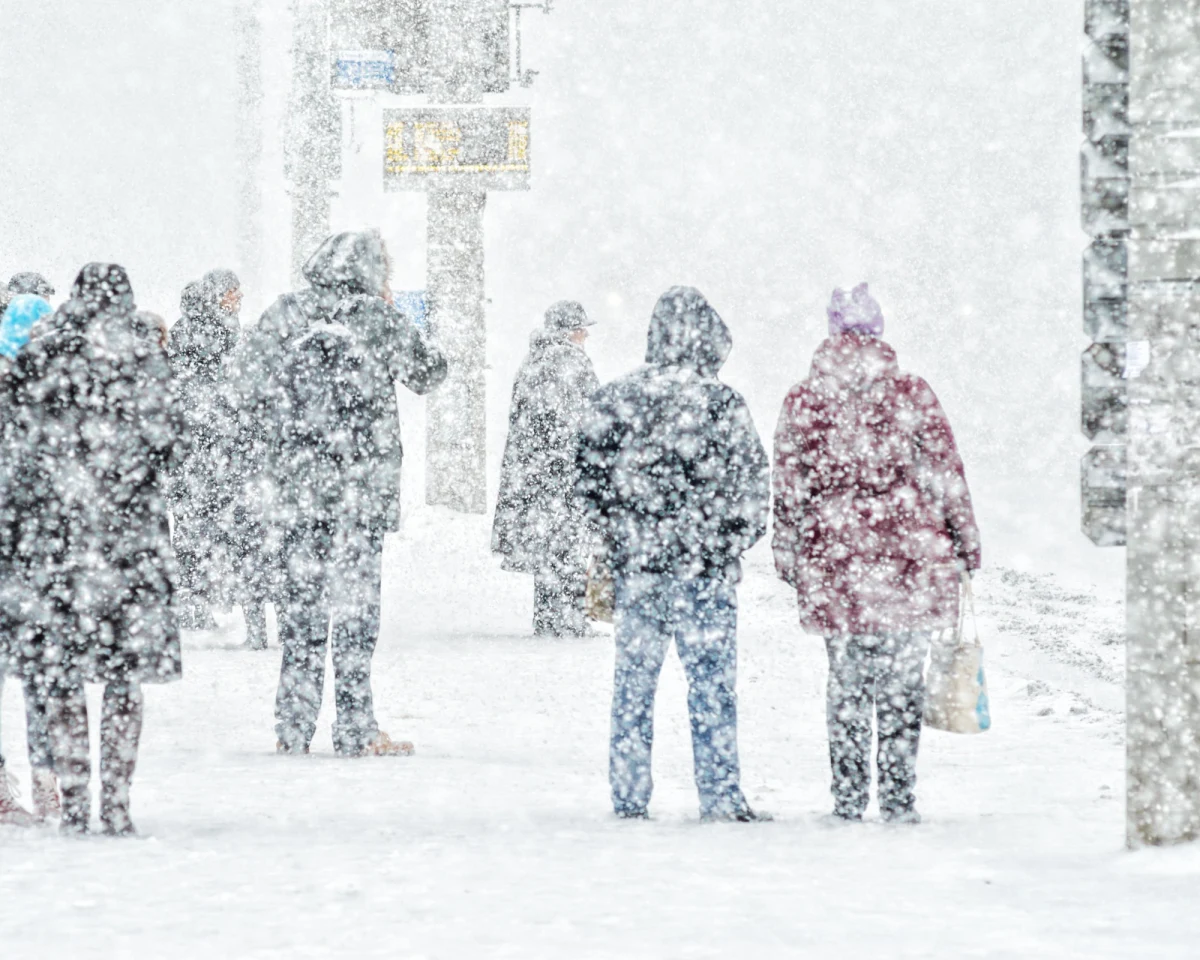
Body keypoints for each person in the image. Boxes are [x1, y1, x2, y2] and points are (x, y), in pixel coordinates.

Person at [771, 283, 981, 825]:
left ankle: (847, 798)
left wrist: (789, 553)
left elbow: (789, 485)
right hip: (907, 559)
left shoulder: (804, 399)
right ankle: (897, 797)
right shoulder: (912, 394)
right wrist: (965, 542)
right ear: (879, 332)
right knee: (902, 687)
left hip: (835, 560)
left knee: (845, 682)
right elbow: (945, 474)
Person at [237, 230, 447, 757]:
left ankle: (293, 726)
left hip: (297, 491)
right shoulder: (376, 319)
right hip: (360, 493)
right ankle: (355, 727)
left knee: (302, 613)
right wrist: (408, 321)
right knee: (355, 615)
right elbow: (428, 372)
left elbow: (242, 384)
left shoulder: (286, 312)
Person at [0, 263, 186, 836]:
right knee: (123, 676)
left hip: (56, 543)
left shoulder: (36, 359)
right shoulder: (143, 358)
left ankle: (75, 798)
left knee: (61, 673)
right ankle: (118, 800)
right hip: (128, 544)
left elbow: (15, 452)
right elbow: (171, 447)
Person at [576, 286, 770, 822]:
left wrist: (622, 536)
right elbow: (753, 488)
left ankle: (629, 794)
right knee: (711, 690)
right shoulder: (721, 402)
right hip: (704, 574)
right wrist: (723, 541)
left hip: (639, 571)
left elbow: (588, 481)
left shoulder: (617, 398)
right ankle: (721, 796)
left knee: (634, 687)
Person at [493, 300, 600, 637]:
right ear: (572, 331)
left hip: (533, 474)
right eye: (583, 329)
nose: (585, 336)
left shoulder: (532, 361)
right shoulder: (572, 362)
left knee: (547, 547)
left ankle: (547, 618)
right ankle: (570, 621)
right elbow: (592, 420)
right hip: (566, 472)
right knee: (569, 545)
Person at [166, 272, 244, 634]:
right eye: (232, 292)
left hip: (205, 444)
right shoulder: (204, 332)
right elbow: (211, 389)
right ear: (216, 296)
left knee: (200, 523)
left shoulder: (204, 327)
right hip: (201, 444)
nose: (238, 296)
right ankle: (194, 598)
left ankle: (199, 597)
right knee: (198, 523)